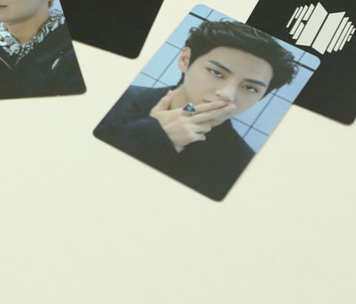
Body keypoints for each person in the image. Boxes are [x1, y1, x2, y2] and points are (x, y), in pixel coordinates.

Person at [92, 19, 298, 201]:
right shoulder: (112, 96)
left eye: (250, 88)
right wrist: (150, 136)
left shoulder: (243, 166)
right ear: (185, 60)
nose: (227, 94)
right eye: (216, 72)